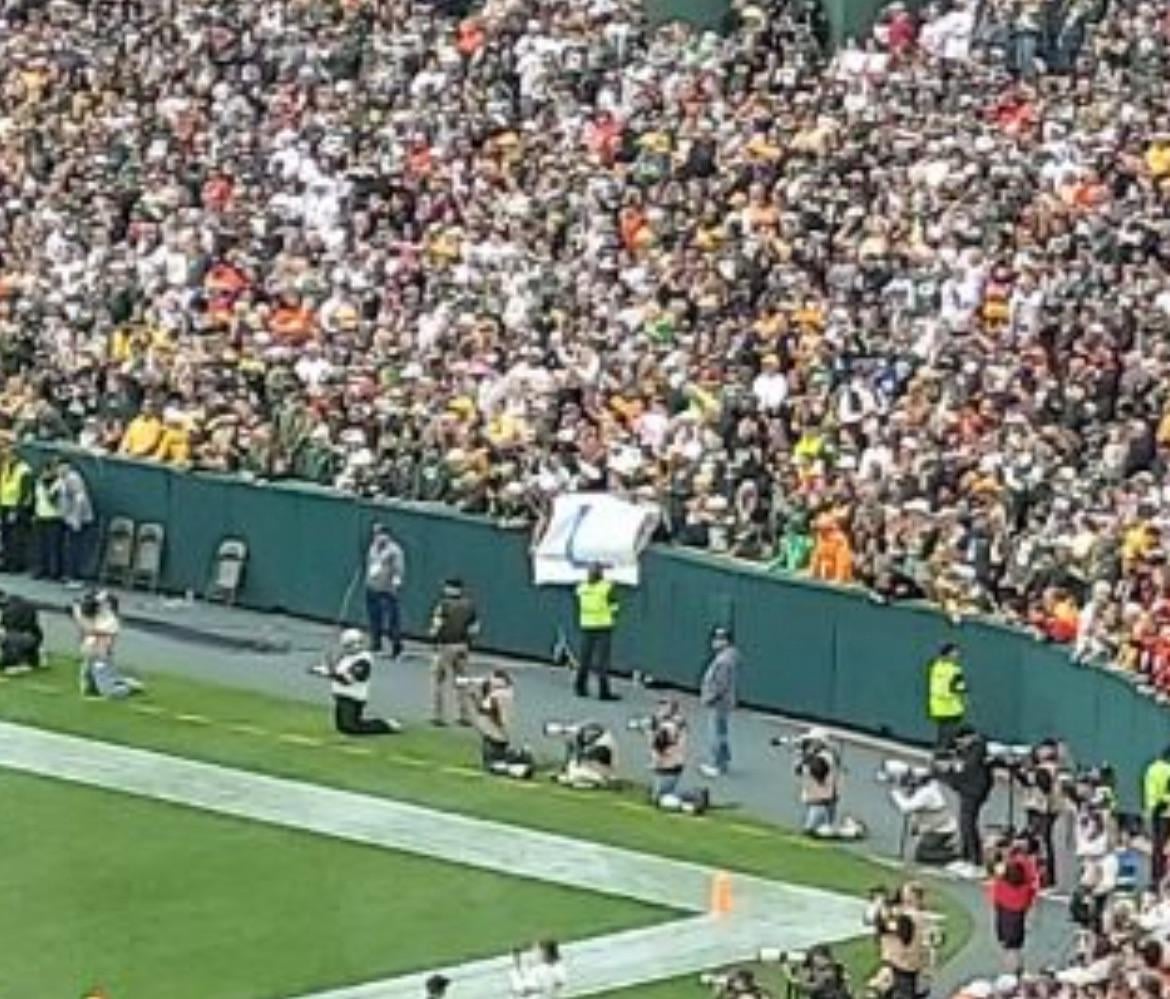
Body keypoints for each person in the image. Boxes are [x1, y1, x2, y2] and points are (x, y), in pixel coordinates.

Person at [309, 629, 400, 736]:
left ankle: (385, 725)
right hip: (341, 696)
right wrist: (319, 669)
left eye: (348, 645)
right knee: (343, 727)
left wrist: (327, 673)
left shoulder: (363, 661)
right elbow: (337, 672)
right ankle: (381, 724)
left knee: (350, 727)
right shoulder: (345, 657)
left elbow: (348, 680)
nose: (345, 648)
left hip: (353, 698)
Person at [940, 727, 993, 876]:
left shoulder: (978, 749)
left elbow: (968, 767)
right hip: (966, 790)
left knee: (968, 824)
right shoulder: (967, 751)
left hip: (974, 791)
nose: (960, 745)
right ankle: (965, 858)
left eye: (961, 741)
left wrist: (955, 765)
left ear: (969, 737)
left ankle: (975, 861)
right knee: (964, 824)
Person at [429, 578, 479, 726]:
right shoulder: (469, 605)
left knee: (437, 681)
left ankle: (437, 715)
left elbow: (437, 626)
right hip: (462, 647)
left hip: (445, 646)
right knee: (462, 681)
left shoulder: (443, 605)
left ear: (449, 588)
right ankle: (464, 715)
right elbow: (474, 629)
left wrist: (433, 639)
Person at [465, 670, 533, 779]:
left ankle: (518, 763)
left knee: (493, 764)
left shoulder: (497, 695)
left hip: (494, 739)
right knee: (496, 760)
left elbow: (486, 709)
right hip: (501, 738)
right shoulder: (508, 693)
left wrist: (474, 697)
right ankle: (518, 758)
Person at [74, 590, 142, 699]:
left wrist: (77, 612)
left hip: (101, 658)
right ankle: (117, 679)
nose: (99, 606)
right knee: (87, 690)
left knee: (109, 693)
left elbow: (91, 630)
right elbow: (88, 607)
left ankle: (129, 686)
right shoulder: (98, 614)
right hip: (89, 658)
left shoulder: (112, 621)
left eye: (103, 604)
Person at [646, 697, 708, 814]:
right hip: (664, 763)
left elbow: (675, 744)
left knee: (660, 798)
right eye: (661, 704)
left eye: (665, 705)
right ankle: (693, 795)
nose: (661, 708)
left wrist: (666, 757)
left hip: (671, 764)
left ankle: (694, 797)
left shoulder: (675, 723)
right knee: (661, 793)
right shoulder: (657, 720)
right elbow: (654, 742)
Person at [989, 836, 1040, 974]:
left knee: (1012, 946)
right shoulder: (1018, 861)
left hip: (1012, 908)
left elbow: (1011, 875)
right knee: (1006, 944)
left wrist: (1003, 861)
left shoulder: (1020, 863)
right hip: (1005, 905)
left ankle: (1015, 974)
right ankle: (1014, 972)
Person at [1020, 739, 1065, 888]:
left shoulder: (1050, 768)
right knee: (1032, 840)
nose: (1040, 752)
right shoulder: (1037, 767)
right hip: (1034, 807)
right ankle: (1031, 874)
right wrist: (1022, 772)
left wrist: (1033, 774)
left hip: (1046, 809)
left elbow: (1045, 784)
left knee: (1044, 842)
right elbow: (1027, 782)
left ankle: (1048, 879)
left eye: (1045, 749)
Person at [574, 564, 619, 701]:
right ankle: (603, 692)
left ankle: (580, 687)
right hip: (603, 626)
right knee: (602, 661)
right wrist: (611, 614)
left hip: (586, 625)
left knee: (584, 658)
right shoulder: (607, 588)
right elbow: (614, 606)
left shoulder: (581, 588)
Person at [699, 626, 739, 778]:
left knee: (716, 734)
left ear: (725, 642)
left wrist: (708, 698)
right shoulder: (727, 657)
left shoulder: (724, 661)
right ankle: (723, 762)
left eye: (718, 639)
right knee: (721, 733)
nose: (714, 642)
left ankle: (716, 765)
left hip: (719, 703)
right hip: (723, 702)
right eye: (714, 638)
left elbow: (720, 686)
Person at [365, 524, 405, 658]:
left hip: (387, 589)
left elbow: (399, 568)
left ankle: (396, 644)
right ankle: (376, 642)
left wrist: (397, 579)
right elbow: (370, 563)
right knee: (374, 616)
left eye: (380, 534)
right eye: (375, 534)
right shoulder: (372, 547)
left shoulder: (395, 550)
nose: (377, 537)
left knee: (392, 618)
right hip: (372, 586)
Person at [796, 729, 841, 836]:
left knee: (811, 832)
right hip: (814, 800)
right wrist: (803, 756)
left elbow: (818, 771)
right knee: (813, 832)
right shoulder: (814, 755)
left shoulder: (826, 756)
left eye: (813, 741)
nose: (810, 743)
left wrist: (809, 756)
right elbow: (798, 770)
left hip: (822, 803)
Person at [60, 462, 94, 586]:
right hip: (71, 518)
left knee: (75, 548)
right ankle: (70, 576)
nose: (58, 470)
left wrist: (76, 518)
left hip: (78, 520)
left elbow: (80, 498)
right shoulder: (64, 479)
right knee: (70, 548)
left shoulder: (73, 478)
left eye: (61, 467)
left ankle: (75, 577)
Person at [927, 644, 967, 749]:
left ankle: (940, 750)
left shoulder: (936, 666)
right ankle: (943, 750)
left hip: (938, 705)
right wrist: (963, 690)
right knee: (949, 731)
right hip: (952, 706)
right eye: (955, 652)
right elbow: (959, 687)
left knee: (942, 730)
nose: (957, 654)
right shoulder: (955, 670)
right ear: (948, 654)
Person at [0, 448, 33, 573]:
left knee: (16, 538)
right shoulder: (6, 467)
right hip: (4, 505)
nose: (8, 457)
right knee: (6, 536)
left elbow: (24, 493)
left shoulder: (24, 470)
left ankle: (17, 565)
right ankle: (7, 562)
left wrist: (16, 510)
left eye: (10, 455)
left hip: (18, 507)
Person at [32, 459, 64, 580]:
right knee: (40, 546)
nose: (44, 473)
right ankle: (39, 570)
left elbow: (55, 502)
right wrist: (35, 513)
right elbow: (37, 499)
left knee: (53, 547)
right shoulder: (39, 483)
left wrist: (47, 490)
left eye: (48, 471)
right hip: (40, 516)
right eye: (43, 471)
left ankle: (54, 572)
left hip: (54, 518)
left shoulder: (59, 484)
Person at [1144, 747, 1170, 888]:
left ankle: (1156, 880)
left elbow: (1150, 792)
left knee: (1158, 848)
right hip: (1165, 811)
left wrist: (1152, 809)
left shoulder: (1152, 769)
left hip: (1157, 814)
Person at [0, 590, 43, 672]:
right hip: (32, 638)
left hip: (19, 639)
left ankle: (20, 661)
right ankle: (29, 659)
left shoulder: (8, 611)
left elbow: (6, 628)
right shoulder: (24, 603)